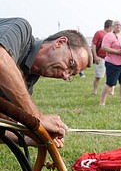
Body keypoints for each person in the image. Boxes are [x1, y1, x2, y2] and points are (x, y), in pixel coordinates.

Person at [0, 17, 92, 148]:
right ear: (60, 42)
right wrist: (37, 117)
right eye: (70, 64)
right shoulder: (20, 28)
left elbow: (2, 125)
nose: (65, 75)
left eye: (71, 74)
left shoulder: (27, 82)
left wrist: (30, 137)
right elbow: (1, 60)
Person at [99, 20, 121, 106]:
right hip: (113, 63)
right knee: (110, 83)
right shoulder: (109, 36)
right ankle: (102, 102)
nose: (118, 26)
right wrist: (117, 51)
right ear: (112, 26)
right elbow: (104, 47)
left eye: (120, 25)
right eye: (116, 25)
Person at [91, 20, 114, 95]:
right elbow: (93, 45)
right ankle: (95, 91)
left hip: (110, 58)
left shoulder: (112, 35)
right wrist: (95, 56)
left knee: (112, 75)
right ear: (110, 26)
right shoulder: (99, 33)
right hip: (100, 57)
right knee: (98, 76)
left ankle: (111, 91)